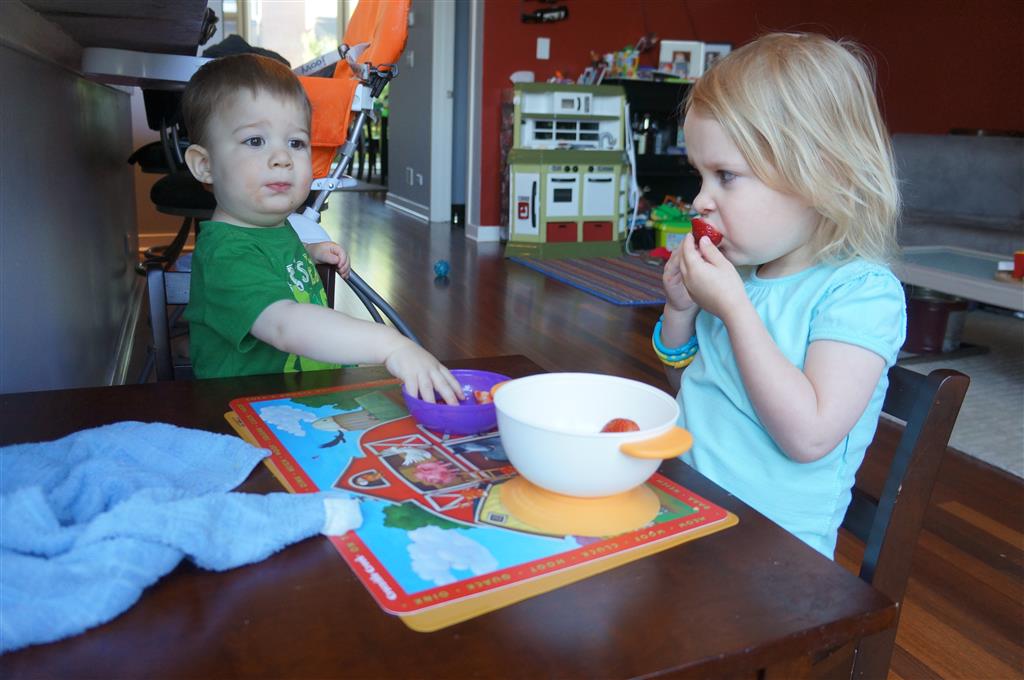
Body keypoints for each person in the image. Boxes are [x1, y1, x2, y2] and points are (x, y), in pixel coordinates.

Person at [656, 33, 906, 558]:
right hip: (683, 508)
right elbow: (694, 387)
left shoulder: (860, 294)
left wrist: (734, 310)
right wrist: (681, 310)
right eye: (701, 175)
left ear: (819, 174)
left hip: (770, 555)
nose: (700, 200)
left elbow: (808, 437)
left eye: (726, 176)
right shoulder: (742, 273)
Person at [181, 54, 461, 404]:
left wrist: (308, 252)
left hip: (304, 401)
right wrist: (390, 345)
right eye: (255, 141)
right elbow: (285, 324)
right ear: (204, 165)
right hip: (248, 414)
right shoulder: (225, 254)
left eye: (296, 143)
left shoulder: (271, 227)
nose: (282, 158)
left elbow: (269, 262)